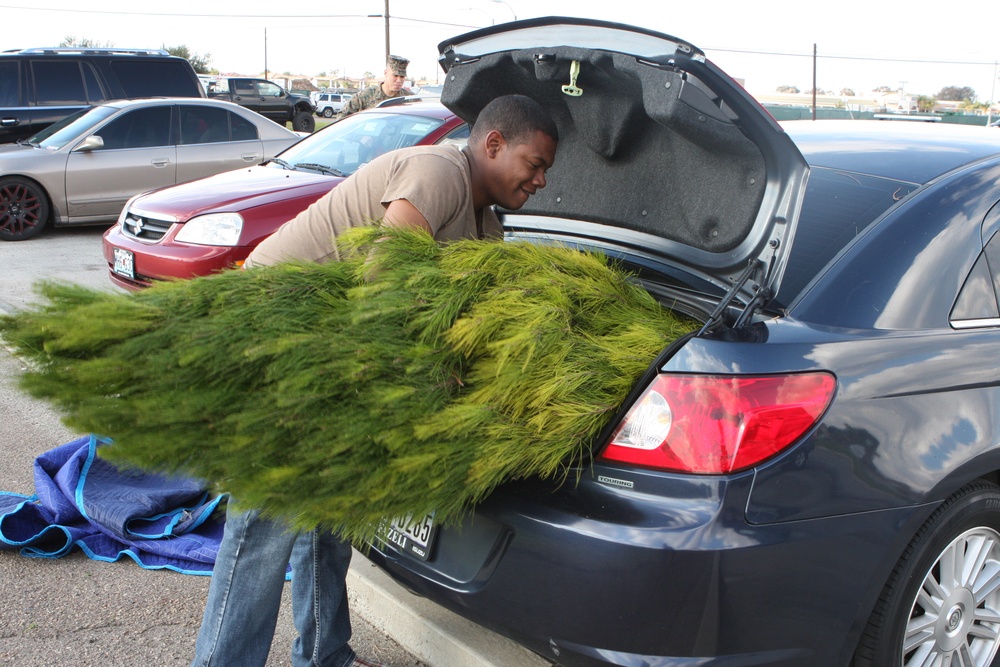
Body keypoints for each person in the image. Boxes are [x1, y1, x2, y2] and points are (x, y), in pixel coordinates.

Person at [191, 93, 559, 667]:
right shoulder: (438, 172)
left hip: (334, 345)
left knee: (332, 513)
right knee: (267, 522)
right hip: (273, 326)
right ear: (493, 144)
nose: (539, 180)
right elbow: (383, 286)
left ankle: (324, 654)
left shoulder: (486, 232)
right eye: (534, 164)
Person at [337, 55, 412, 119]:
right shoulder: (366, 96)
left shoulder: (409, 99)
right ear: (385, 73)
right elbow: (342, 117)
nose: (399, 80)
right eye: (395, 75)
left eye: (402, 77)